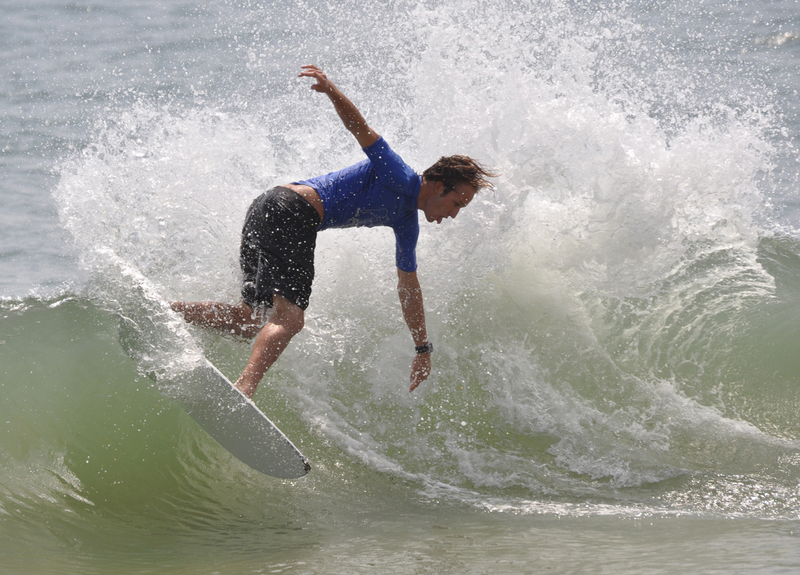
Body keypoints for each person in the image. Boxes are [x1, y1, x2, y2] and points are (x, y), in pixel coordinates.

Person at [171, 65, 497, 399]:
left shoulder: (406, 222)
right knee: (290, 318)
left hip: (266, 207)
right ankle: (244, 390)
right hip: (292, 211)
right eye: (457, 203)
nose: (454, 214)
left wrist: (422, 348)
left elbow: (408, 287)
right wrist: (330, 90)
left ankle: (169, 312)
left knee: (250, 319)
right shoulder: (399, 175)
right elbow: (361, 128)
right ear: (439, 186)